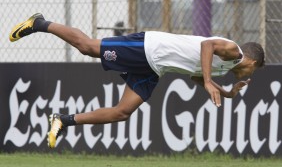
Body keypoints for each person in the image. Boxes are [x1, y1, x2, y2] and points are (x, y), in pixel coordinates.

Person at [9, 13, 265, 148]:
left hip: (154, 68)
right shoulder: (235, 51)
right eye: (254, 71)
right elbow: (207, 45)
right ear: (252, 63)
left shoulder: (224, 68)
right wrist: (210, 81)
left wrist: (227, 92)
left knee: (122, 112)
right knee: (87, 47)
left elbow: (195, 74)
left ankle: (62, 121)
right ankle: (39, 23)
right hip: (148, 47)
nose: (250, 75)